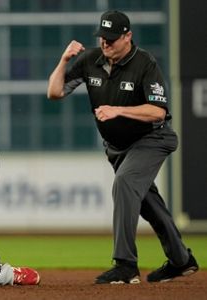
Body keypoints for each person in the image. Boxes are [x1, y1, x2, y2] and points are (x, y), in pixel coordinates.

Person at [47, 10, 199, 284]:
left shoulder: (144, 63)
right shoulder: (90, 59)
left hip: (152, 139)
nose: (106, 44)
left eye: (112, 39)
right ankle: (182, 260)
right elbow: (55, 93)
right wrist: (63, 60)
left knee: (125, 182)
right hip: (118, 148)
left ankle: (125, 265)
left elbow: (158, 112)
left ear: (128, 36)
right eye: (103, 38)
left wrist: (118, 110)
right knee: (148, 203)